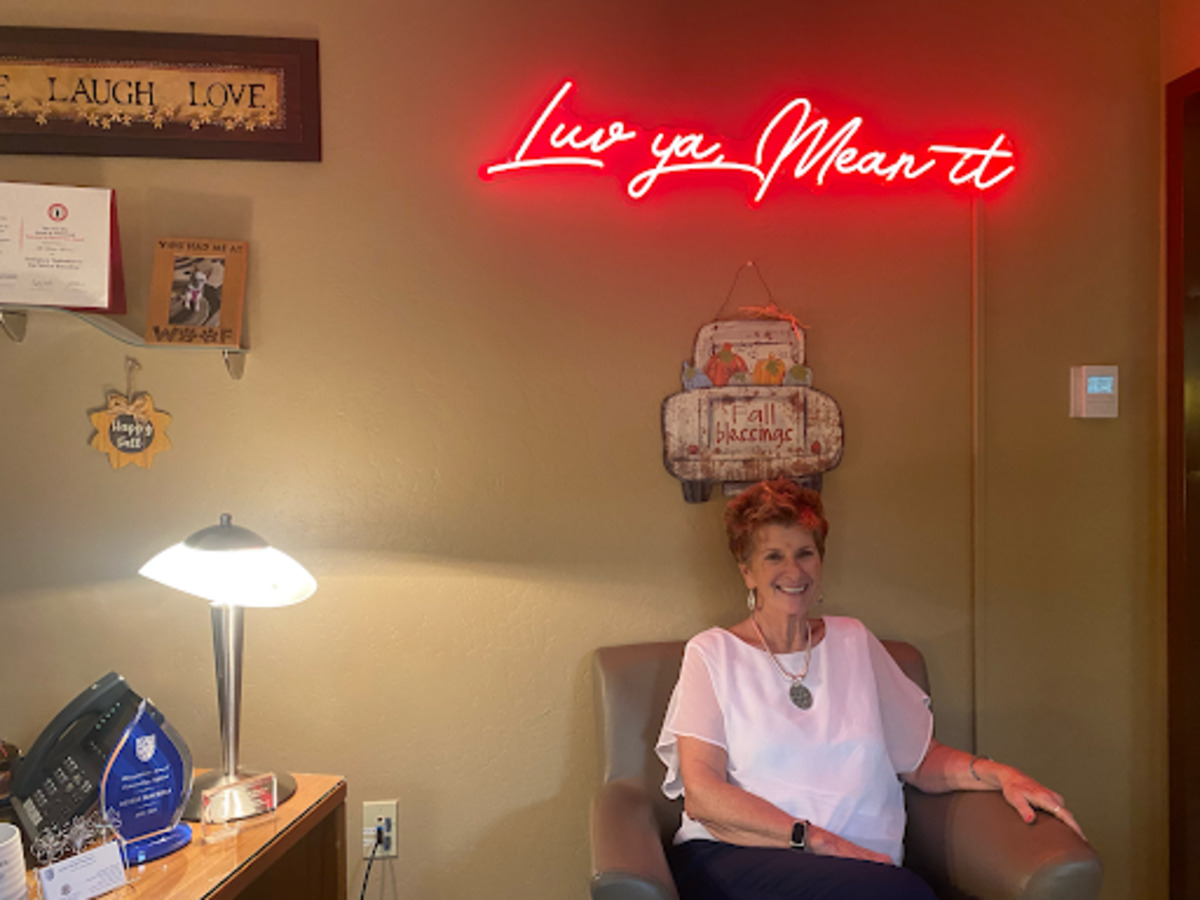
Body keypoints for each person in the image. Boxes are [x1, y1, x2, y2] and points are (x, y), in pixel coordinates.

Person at [655, 479, 1085, 900]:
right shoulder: (713, 653)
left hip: (862, 871)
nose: (794, 570)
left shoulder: (854, 641)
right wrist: (820, 842)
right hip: (740, 857)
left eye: (805, 553)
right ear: (746, 571)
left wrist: (1003, 775)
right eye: (773, 556)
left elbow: (920, 760)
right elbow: (703, 795)